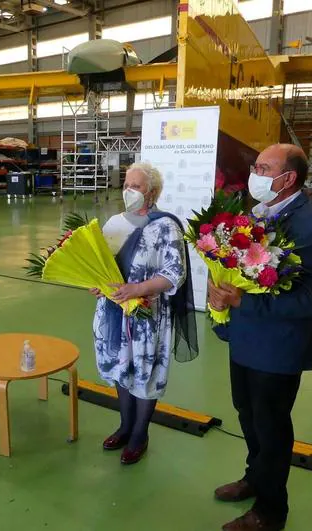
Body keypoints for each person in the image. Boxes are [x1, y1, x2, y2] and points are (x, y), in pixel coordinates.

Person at [209, 144, 312, 531]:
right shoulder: (254, 217)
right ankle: (255, 476)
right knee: (247, 416)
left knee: (271, 427)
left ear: (288, 179)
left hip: (278, 348)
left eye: (264, 168)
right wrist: (223, 297)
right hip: (244, 340)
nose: (256, 173)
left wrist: (244, 302)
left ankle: (270, 510)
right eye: (256, 166)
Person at [91, 161, 198, 465]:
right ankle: (125, 426)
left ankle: (140, 434)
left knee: (145, 373)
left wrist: (137, 290)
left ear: (151, 193)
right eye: (126, 184)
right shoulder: (113, 222)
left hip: (146, 317)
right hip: (113, 313)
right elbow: (102, 267)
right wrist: (97, 285)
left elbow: (174, 274)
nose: (128, 190)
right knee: (121, 370)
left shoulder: (166, 226)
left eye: (135, 186)